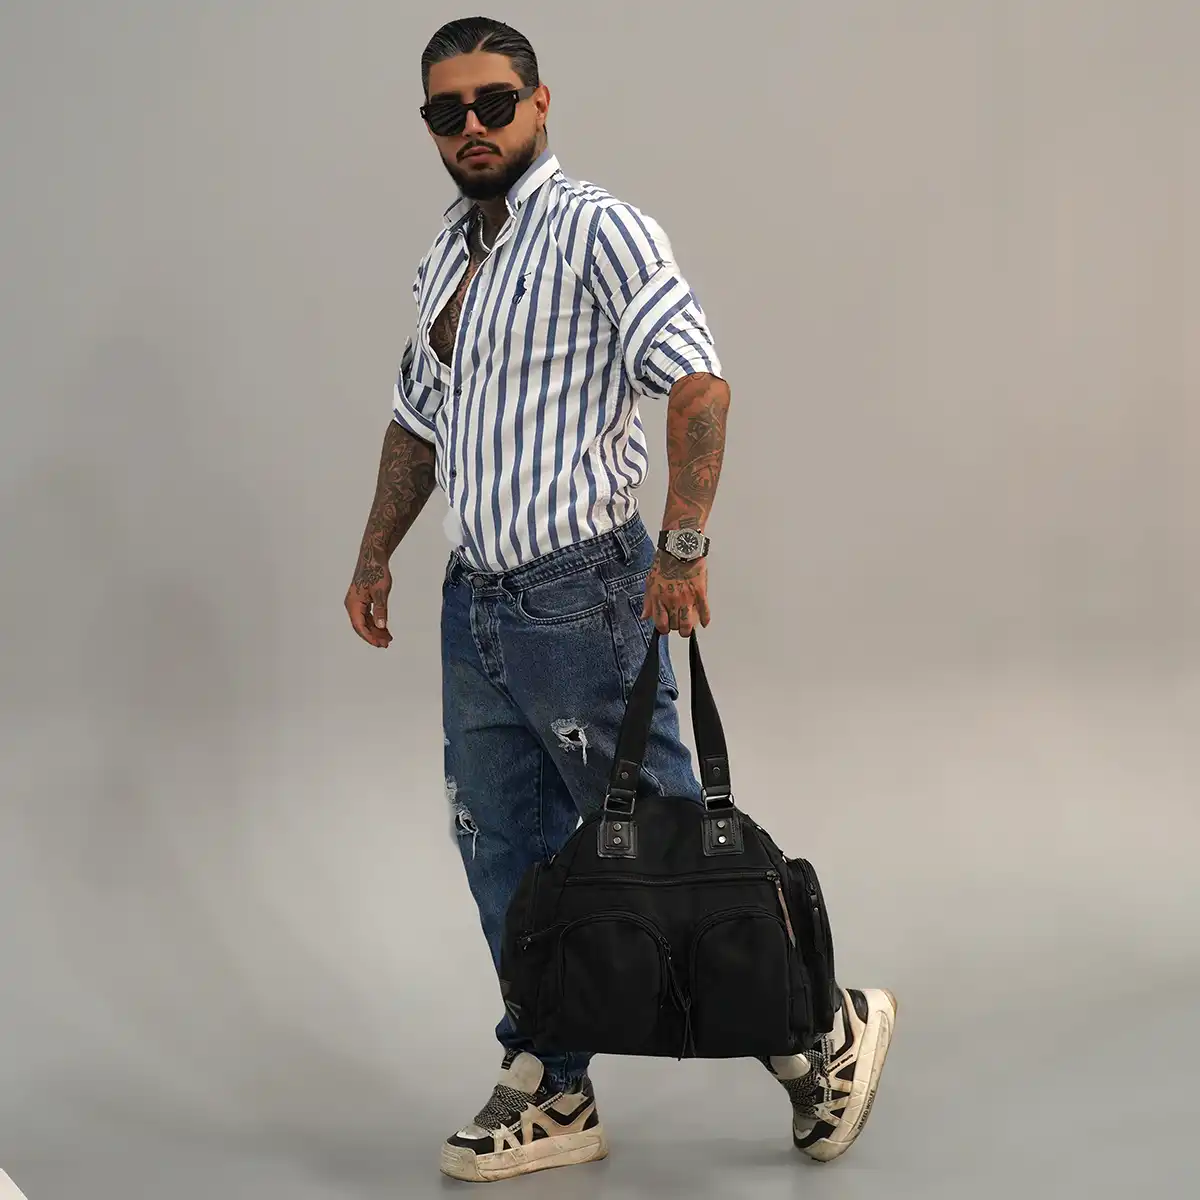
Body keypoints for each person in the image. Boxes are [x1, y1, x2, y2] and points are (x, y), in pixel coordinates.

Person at [344, 15, 898, 1184]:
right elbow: (417, 419)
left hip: (584, 599)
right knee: (506, 854)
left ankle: (822, 1039)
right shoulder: (446, 254)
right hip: (475, 606)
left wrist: (682, 550)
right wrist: (375, 553)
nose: (473, 126)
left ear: (541, 104)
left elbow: (698, 383)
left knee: (666, 849)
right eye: (448, 110)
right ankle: (554, 1082)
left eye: (495, 102)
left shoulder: (599, 230)